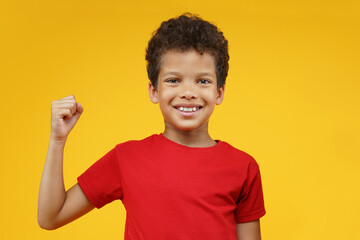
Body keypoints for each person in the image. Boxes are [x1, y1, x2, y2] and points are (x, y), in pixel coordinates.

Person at [38, 13, 266, 240]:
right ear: (154, 91)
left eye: (203, 81)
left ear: (219, 92)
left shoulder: (244, 167)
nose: (188, 92)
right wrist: (57, 140)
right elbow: (51, 216)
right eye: (173, 80)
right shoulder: (125, 158)